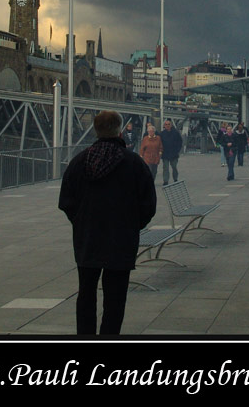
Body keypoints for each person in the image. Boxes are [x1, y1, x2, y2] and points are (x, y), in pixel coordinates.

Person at [58, 110, 157, 335]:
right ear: (119, 130)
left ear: (96, 130)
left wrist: (81, 221)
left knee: (86, 293)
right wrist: (132, 224)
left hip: (88, 238)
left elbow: (66, 201)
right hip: (121, 240)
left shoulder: (79, 162)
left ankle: (86, 336)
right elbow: (148, 205)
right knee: (115, 298)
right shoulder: (134, 164)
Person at [159, 119, 183, 185]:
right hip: (165, 154)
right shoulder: (162, 133)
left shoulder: (176, 133)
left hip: (174, 154)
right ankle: (165, 180)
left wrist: (177, 150)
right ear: (164, 125)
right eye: (166, 124)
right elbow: (160, 143)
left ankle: (175, 178)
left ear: (171, 125)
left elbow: (180, 142)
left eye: (168, 124)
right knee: (165, 168)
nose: (167, 126)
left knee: (174, 167)